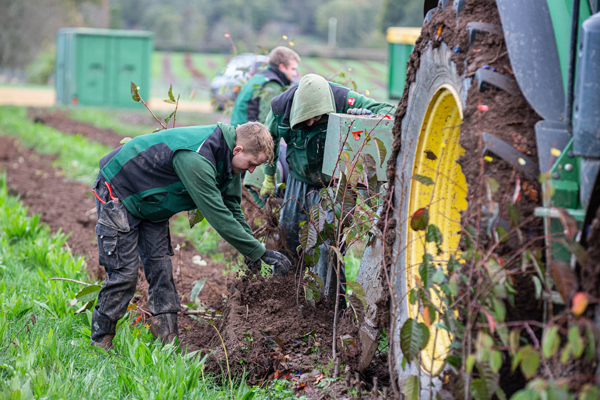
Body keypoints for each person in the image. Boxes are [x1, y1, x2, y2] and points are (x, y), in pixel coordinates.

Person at [90, 121, 291, 351]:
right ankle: (100, 344)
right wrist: (260, 251)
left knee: (161, 272)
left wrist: (253, 249)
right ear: (238, 150)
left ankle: (167, 347)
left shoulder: (228, 162)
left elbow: (232, 207)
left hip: (152, 204)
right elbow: (217, 214)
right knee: (124, 275)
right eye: (252, 164)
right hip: (119, 190)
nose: (252, 171)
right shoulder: (197, 158)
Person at [260, 74, 394, 299]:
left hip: (335, 185)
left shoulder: (344, 100)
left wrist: (367, 117)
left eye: (316, 118)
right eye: (306, 119)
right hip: (298, 180)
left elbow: (389, 111)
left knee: (326, 246)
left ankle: (328, 305)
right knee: (287, 236)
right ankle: (281, 300)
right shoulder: (280, 108)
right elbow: (267, 140)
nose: (311, 123)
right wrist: (269, 177)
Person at [230, 46, 301, 128]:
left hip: (238, 131)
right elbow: (268, 123)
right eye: (293, 69)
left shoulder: (260, 76)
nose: (295, 73)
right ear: (282, 67)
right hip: (248, 135)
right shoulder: (272, 84)